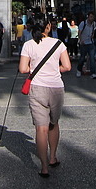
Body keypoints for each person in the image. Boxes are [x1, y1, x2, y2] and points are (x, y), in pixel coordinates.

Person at [18, 18, 71, 178]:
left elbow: (22, 69)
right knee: (53, 124)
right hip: (55, 87)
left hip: (37, 88)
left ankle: (44, 167)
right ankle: (53, 157)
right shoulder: (58, 44)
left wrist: (33, 69)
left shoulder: (28, 45)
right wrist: (55, 69)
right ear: (48, 27)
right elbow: (67, 66)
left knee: (41, 128)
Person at [76, 13, 96, 78]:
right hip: (83, 43)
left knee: (92, 58)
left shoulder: (94, 24)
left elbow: (93, 31)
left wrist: (92, 36)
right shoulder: (83, 23)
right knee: (82, 58)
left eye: (93, 17)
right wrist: (80, 40)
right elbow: (79, 32)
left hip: (90, 43)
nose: (92, 18)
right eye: (91, 17)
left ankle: (93, 73)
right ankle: (79, 70)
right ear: (88, 17)